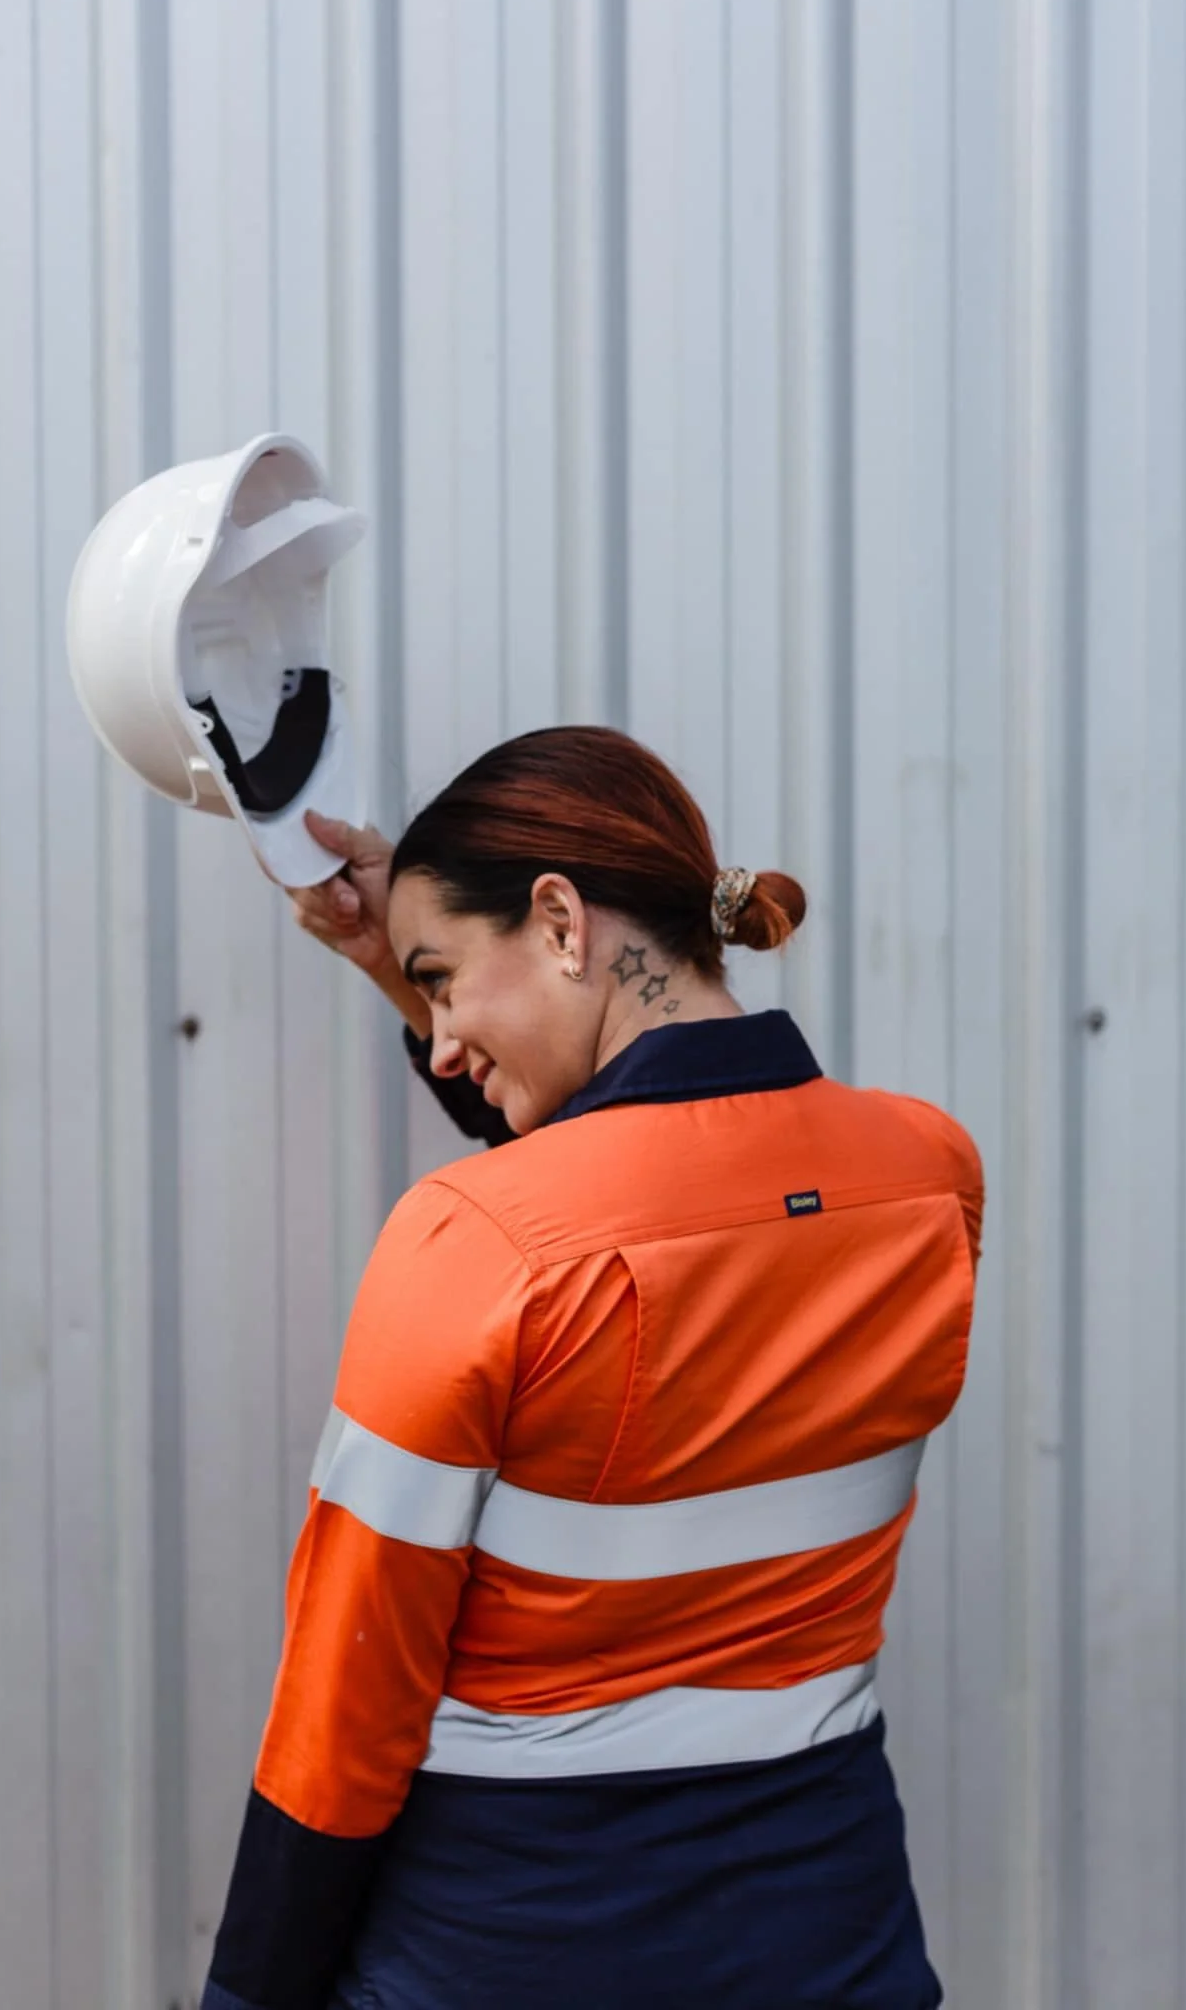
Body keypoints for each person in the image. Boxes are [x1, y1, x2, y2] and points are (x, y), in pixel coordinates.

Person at [201, 726, 983, 2010]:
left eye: (445, 981)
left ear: (561, 919)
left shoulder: (470, 1238)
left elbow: (346, 1704)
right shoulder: (929, 1175)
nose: (442, 1041)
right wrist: (393, 948)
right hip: (832, 1940)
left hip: (511, 1948)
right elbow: (656, 1175)